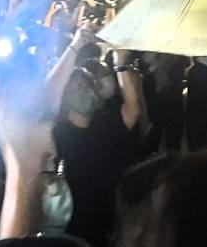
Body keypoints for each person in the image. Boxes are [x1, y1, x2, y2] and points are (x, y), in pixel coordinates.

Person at [53, 49, 145, 247]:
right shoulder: (58, 135)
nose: (85, 92)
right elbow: (133, 107)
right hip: (92, 224)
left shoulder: (101, 125)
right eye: (79, 88)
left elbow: (133, 107)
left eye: (86, 86)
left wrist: (119, 62)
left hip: (94, 223)